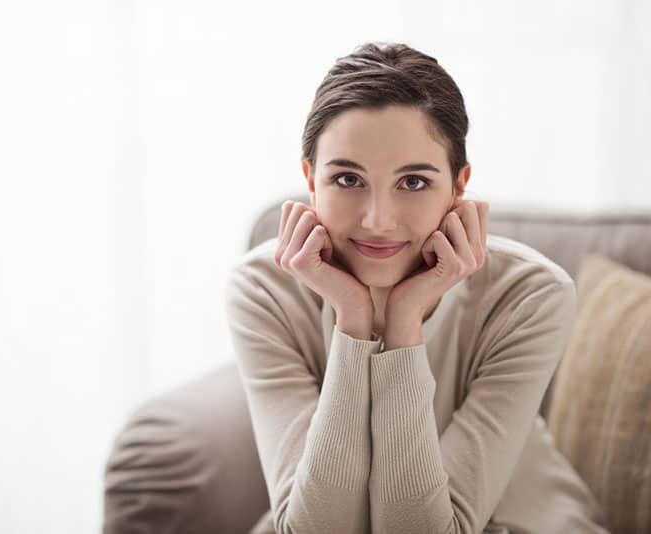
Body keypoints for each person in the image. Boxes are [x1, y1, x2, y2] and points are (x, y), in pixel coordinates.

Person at [223, 42, 611, 533]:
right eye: (347, 178)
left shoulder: (531, 295)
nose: (377, 220)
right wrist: (354, 321)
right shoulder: (262, 290)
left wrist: (404, 324)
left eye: (413, 182)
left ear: (458, 186)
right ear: (309, 180)